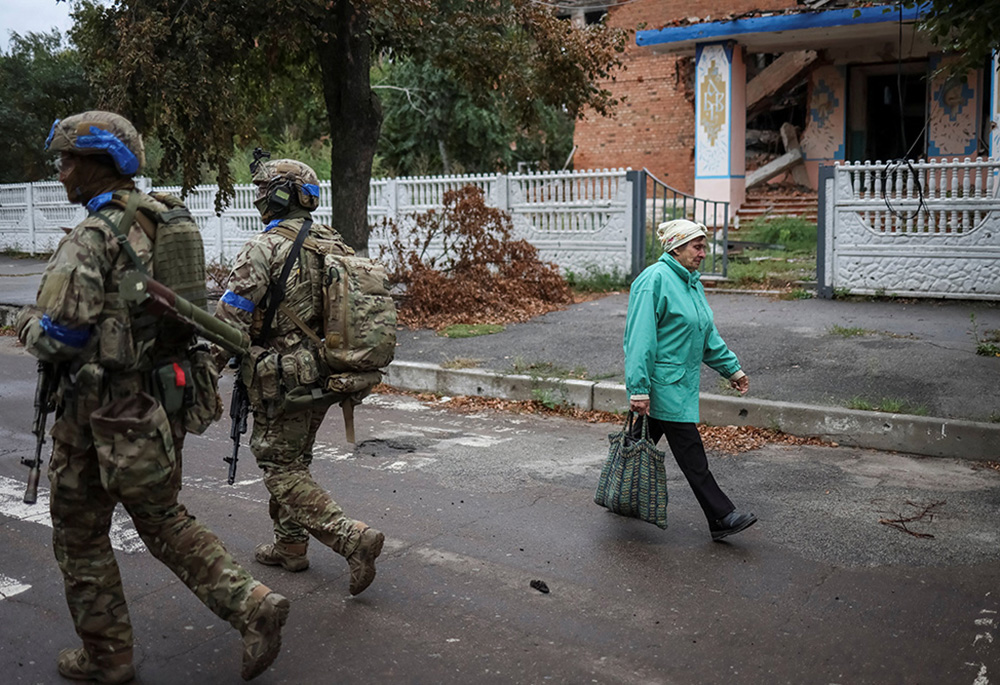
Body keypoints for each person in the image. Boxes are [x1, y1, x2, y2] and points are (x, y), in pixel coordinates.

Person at [16, 111, 289, 684]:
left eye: (68, 161)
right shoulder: (165, 217)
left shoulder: (95, 235)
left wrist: (24, 326)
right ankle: (252, 605)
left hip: (97, 415)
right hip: (161, 403)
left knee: (79, 531)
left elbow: (61, 337)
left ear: (98, 165)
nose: (61, 173)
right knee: (162, 518)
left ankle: (106, 657)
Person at [214, 155, 384, 595]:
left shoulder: (264, 248)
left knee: (277, 465)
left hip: (280, 379)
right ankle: (290, 547)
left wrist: (204, 371)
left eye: (262, 190)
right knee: (296, 458)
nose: (257, 198)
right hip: (324, 376)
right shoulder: (333, 244)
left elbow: (230, 319)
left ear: (280, 194)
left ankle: (351, 539)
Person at [623, 218, 757, 541]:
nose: (703, 253)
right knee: (691, 453)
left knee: (634, 445)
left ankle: (619, 494)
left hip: (679, 384)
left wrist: (732, 369)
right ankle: (721, 516)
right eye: (697, 247)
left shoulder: (690, 282)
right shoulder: (653, 281)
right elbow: (639, 339)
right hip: (662, 386)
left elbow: (705, 333)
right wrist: (639, 389)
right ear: (676, 247)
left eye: (703, 247)